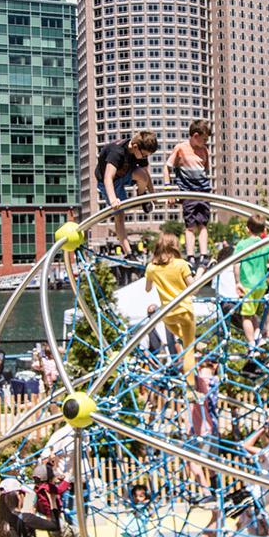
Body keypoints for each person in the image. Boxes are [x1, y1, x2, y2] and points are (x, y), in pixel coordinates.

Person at [94, 130, 159, 247]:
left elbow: (146, 175)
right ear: (135, 147)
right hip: (110, 182)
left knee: (142, 175)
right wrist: (113, 200)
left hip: (125, 174)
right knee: (119, 216)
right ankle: (128, 252)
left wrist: (153, 196)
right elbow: (108, 178)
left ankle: (141, 195)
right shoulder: (117, 152)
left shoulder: (140, 151)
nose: (145, 157)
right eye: (144, 155)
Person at [144, 232, 196, 376]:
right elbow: (194, 289)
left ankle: (197, 343)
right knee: (189, 349)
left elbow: (147, 289)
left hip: (168, 315)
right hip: (184, 310)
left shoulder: (151, 268)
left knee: (182, 336)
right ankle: (191, 383)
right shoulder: (181, 264)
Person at [165, 120, 213, 263]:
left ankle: (204, 255)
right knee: (190, 225)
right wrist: (168, 189)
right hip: (188, 191)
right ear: (195, 136)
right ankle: (191, 256)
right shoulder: (180, 148)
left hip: (203, 191)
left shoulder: (204, 150)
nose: (205, 142)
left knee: (203, 224)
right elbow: (166, 168)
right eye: (204, 139)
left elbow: (205, 170)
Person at [233, 216, 269, 349]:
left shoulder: (242, 245)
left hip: (247, 285)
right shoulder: (266, 245)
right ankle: (258, 337)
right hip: (261, 285)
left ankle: (251, 343)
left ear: (247, 229)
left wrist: (237, 282)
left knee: (246, 316)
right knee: (253, 313)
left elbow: (236, 264)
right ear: (263, 229)